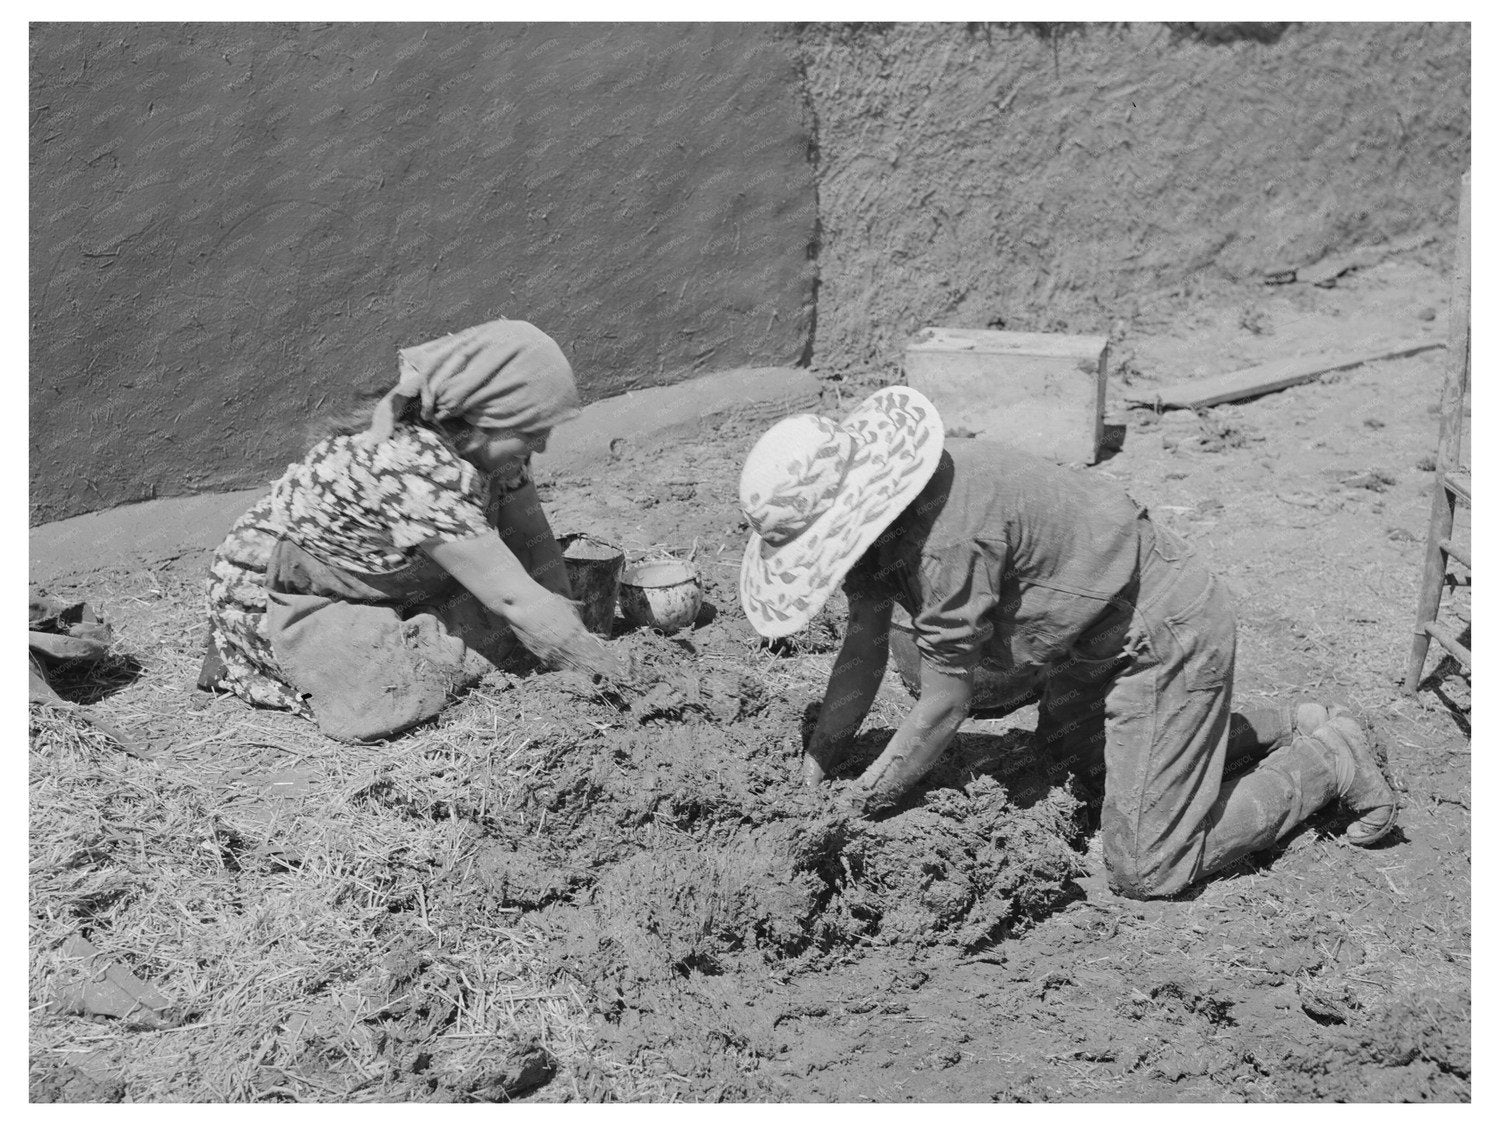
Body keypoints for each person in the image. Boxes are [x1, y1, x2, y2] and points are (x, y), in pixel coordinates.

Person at [737, 386, 1397, 900]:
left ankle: (1327, 759)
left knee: (1148, 865)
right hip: (1089, 640)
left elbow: (944, 703)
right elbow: (863, 645)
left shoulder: (948, 539)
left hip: (1161, 631)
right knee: (1077, 769)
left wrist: (856, 805)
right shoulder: (888, 528)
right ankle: (1290, 723)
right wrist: (822, 756)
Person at [200, 318, 631, 742]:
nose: (542, 446)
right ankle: (255, 644)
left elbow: (533, 541)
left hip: (389, 575)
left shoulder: (489, 450)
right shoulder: (414, 465)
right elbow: (514, 596)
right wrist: (618, 680)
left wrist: (573, 621)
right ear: (482, 417)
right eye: (533, 431)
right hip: (286, 586)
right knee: (398, 683)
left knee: (521, 618)